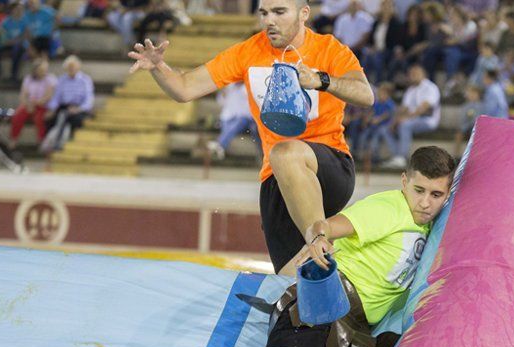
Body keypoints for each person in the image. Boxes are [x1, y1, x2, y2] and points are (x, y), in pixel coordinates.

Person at [117, 146, 457, 347]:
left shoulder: (427, 227)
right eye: (419, 190)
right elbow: (328, 225)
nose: (425, 203)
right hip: (321, 304)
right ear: (403, 182)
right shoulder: (389, 209)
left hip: (352, 331)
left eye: (436, 195)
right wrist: (319, 236)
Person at [127, 0, 373, 275]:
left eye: (279, 12)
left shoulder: (329, 49)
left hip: (330, 167)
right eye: (264, 13)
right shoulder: (249, 51)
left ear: (304, 14)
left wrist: (321, 80)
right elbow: (184, 89)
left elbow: (365, 95)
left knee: (285, 152)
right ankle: (316, 282)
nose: (269, 20)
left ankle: (319, 239)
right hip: (277, 179)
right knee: (290, 281)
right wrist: (159, 67)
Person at [381, 64, 440, 169]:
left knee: (405, 125)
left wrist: (405, 119)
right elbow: (404, 108)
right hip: (412, 119)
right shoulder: (411, 90)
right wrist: (395, 121)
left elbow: (424, 108)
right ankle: (396, 157)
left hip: (427, 120)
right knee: (386, 129)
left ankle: (402, 157)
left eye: (416, 73)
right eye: (411, 74)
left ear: (423, 74)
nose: (413, 76)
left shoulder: (430, 87)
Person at [9, 59, 57, 148]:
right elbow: (23, 95)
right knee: (17, 115)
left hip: (42, 105)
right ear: (35, 70)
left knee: (39, 118)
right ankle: (13, 139)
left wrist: (35, 103)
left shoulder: (50, 79)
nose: (43, 72)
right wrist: (27, 104)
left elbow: (48, 96)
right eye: (41, 70)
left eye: (44, 70)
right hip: (29, 104)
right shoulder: (28, 79)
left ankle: (41, 141)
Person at [206, 82, 259, 160]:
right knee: (231, 125)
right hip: (228, 118)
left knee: (241, 120)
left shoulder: (250, 85)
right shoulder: (229, 86)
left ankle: (220, 145)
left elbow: (251, 108)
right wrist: (223, 93)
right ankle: (219, 147)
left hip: (246, 120)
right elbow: (220, 102)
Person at [46, 55, 94, 138]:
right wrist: (52, 109)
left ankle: (69, 142)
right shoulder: (61, 80)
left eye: (73, 67)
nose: (71, 69)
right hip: (64, 107)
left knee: (76, 120)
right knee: (50, 119)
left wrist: (78, 109)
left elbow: (89, 100)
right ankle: (51, 144)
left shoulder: (85, 80)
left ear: (78, 67)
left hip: (79, 108)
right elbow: (56, 97)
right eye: (69, 67)